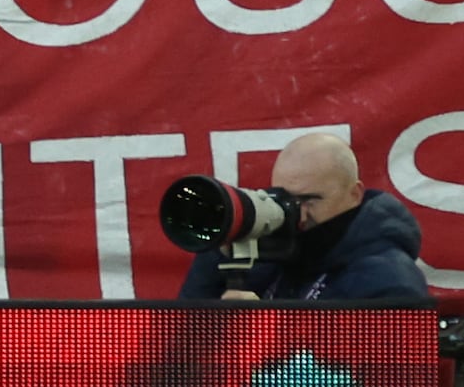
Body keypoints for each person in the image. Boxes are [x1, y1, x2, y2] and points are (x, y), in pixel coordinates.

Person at [170, 128, 433, 303]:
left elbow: (379, 372)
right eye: (284, 198)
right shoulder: (266, 256)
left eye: (310, 200)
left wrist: (263, 334)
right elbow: (177, 356)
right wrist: (218, 255)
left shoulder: (389, 280)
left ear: (354, 194)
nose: (297, 213)